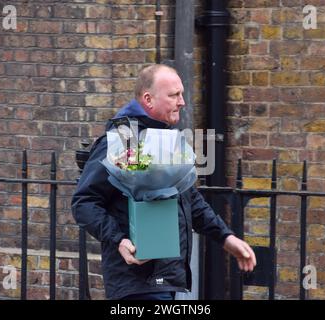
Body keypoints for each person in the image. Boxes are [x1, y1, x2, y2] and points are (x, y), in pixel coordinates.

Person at [71, 64, 256, 300]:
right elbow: (84, 203)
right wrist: (119, 240)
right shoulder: (122, 141)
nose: (182, 102)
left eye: (181, 94)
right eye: (174, 95)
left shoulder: (167, 140)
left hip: (171, 281)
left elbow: (191, 202)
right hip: (135, 283)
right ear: (148, 99)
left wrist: (226, 238)